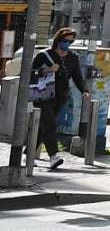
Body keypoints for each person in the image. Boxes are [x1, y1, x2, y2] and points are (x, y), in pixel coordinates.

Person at [29, 27, 86, 172]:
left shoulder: (73, 57)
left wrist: (84, 91)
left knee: (44, 127)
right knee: (50, 125)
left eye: (71, 41)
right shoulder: (44, 55)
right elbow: (30, 74)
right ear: (58, 40)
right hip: (44, 96)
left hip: (61, 96)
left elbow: (77, 76)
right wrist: (47, 70)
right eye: (65, 41)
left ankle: (28, 154)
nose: (68, 44)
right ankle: (53, 157)